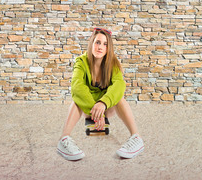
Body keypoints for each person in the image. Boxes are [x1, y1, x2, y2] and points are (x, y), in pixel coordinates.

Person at [57, 27, 144, 161]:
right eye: (97, 42)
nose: (100, 47)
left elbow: (119, 85)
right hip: (88, 109)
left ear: (109, 48)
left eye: (105, 44)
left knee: (119, 98)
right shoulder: (81, 61)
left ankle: (136, 137)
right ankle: (64, 139)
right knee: (76, 101)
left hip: (107, 109)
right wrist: (95, 111)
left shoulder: (113, 62)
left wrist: (103, 103)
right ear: (91, 43)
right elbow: (77, 86)